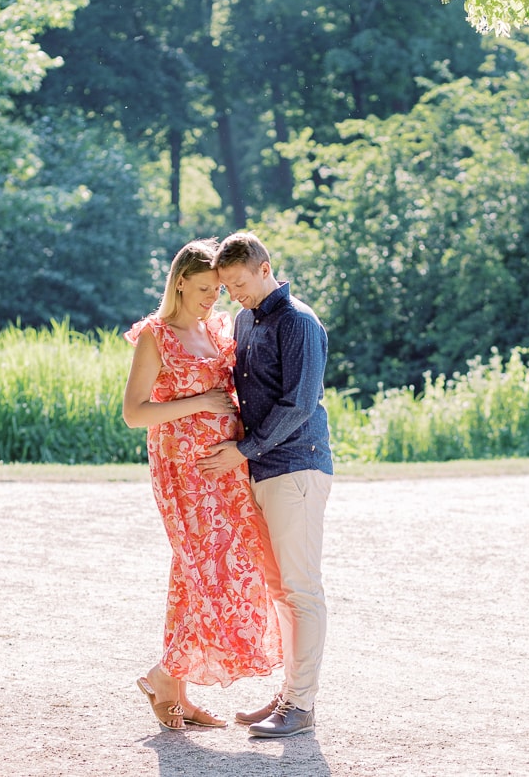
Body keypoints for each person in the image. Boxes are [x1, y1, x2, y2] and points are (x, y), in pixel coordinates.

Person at [122, 238, 281, 731]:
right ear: (180, 282)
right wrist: (199, 404)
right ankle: (167, 676)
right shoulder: (156, 335)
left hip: (227, 467)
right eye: (206, 289)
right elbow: (134, 413)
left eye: (219, 290)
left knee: (218, 569)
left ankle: (171, 682)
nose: (215, 298)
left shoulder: (217, 328)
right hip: (183, 471)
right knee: (201, 569)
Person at [196, 232, 333, 739]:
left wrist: (244, 450)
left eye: (239, 283)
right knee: (279, 590)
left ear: (265, 267)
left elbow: (299, 403)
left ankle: (301, 704)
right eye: (227, 287)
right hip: (262, 470)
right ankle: (288, 694)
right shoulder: (245, 320)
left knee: (301, 589)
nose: (235, 294)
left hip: (297, 466)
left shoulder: (298, 321)